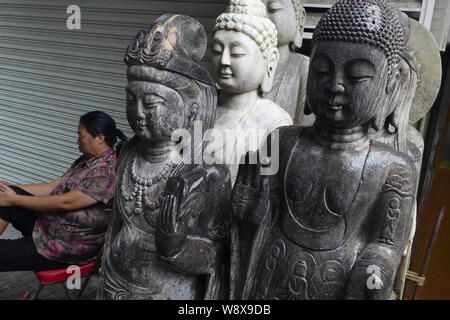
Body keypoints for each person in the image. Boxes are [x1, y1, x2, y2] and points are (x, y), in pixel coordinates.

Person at [231, 0, 417, 300]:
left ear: (390, 85)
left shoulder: (394, 169)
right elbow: (258, 216)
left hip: (337, 285)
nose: (335, 85)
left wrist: (375, 270)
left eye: (357, 76)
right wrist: (246, 205)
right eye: (321, 70)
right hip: (269, 277)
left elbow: (385, 244)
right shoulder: (281, 142)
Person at [0, 111, 126, 272]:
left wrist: (13, 199)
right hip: (49, 229)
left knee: (10, 201)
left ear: (100, 138)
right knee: (9, 194)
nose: (77, 141)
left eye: (80, 136)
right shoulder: (87, 160)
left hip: (64, 247)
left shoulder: (106, 173)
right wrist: (8, 190)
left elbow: (65, 202)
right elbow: (52, 186)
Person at [209, 0, 292, 185]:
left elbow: (271, 188)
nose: (224, 60)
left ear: (269, 62)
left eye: (237, 53)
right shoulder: (200, 104)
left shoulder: (275, 122)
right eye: (217, 50)